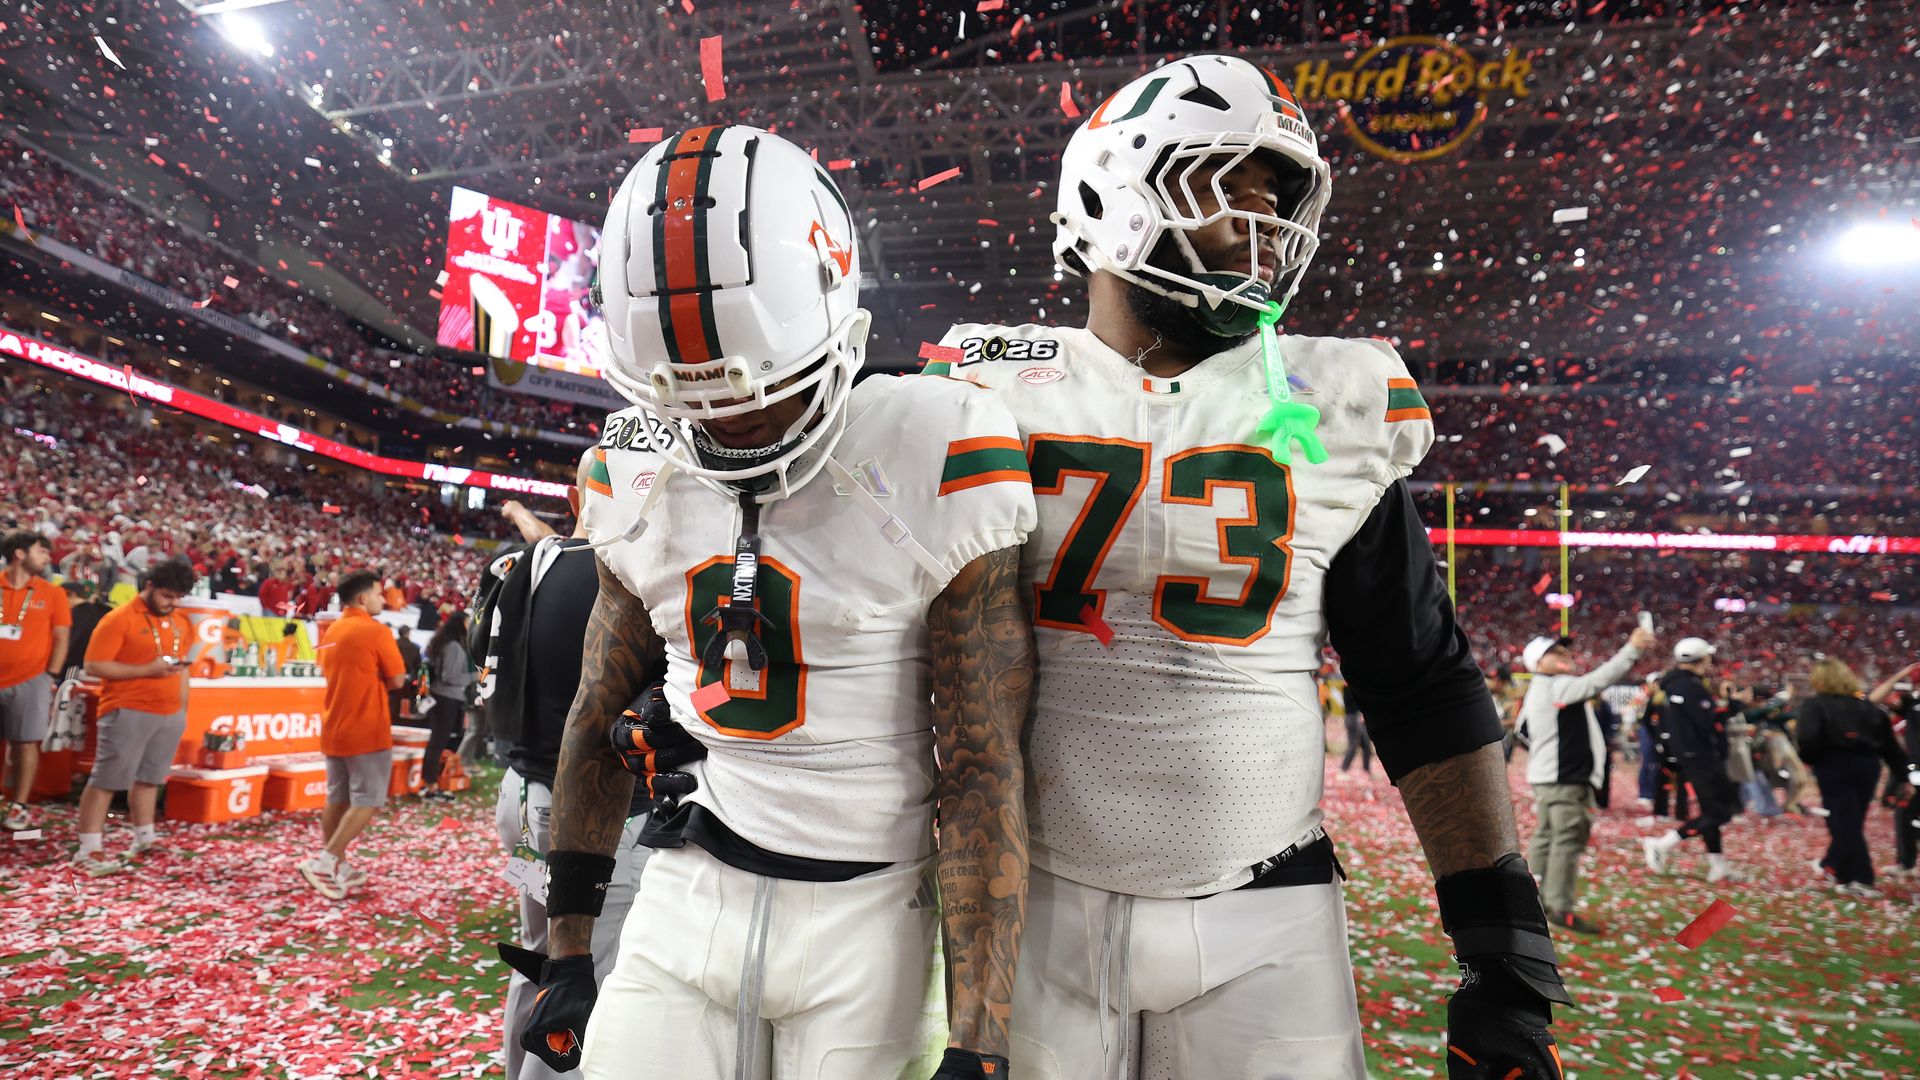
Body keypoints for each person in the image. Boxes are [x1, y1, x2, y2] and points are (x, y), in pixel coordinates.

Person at [941, 56, 1571, 1080]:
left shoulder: (1326, 404)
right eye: (1225, 185)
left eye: (1276, 198)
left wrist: (1502, 953)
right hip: (1034, 904)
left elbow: (1418, 681)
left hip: (1269, 912)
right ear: (1112, 192)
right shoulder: (980, 395)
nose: (1263, 224)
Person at [520, 126, 1037, 1080]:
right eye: (694, 401)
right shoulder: (634, 474)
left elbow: (981, 764)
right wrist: (567, 947)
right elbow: (595, 716)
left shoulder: (934, 446)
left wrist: (980, 1042)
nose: (726, 422)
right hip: (687, 891)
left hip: (871, 915)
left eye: (757, 391)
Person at [477, 478, 655, 1080]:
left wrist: (520, 514)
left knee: (541, 956)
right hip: (590, 812)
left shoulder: (533, 565)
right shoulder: (626, 576)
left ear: (577, 504)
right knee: (585, 970)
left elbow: (551, 539)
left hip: (523, 797)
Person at [1516, 628, 1653, 933]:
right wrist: (1632, 649)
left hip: (1550, 775)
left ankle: (1534, 903)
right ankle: (1559, 908)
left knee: (1547, 837)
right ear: (1538, 663)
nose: (1565, 655)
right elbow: (1599, 680)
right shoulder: (1557, 685)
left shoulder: (1540, 688)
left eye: (1564, 650)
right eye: (1555, 652)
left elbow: (1521, 731)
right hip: (1565, 777)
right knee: (1566, 840)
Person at [73, 556, 197, 875]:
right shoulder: (119, 619)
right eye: (167, 595)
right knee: (106, 781)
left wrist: (182, 709)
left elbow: (182, 669)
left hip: (168, 712)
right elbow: (94, 665)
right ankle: (88, 849)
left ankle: (144, 839)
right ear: (149, 586)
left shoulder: (182, 621)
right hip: (126, 708)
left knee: (150, 779)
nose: (172, 602)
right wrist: (146, 670)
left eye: (178, 597)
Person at [300, 571, 406, 900]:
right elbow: (398, 679)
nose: (383, 599)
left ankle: (339, 866)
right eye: (378, 593)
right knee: (368, 800)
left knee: (337, 798)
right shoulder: (375, 630)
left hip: (334, 725)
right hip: (366, 727)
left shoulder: (332, 629)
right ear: (363, 598)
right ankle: (326, 862)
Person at [1796, 657, 1911, 897]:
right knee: (1852, 820)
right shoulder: (1868, 707)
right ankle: (1840, 870)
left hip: (1834, 765)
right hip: (1868, 767)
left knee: (1844, 822)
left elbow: (1808, 739)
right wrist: (1903, 778)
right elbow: (1890, 747)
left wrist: (1812, 760)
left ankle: (1859, 877)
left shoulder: (1816, 705)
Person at [1642, 637, 1749, 882]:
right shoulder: (1690, 686)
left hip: (1688, 754)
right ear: (1703, 658)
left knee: (1710, 811)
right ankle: (1663, 844)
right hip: (1700, 755)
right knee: (1721, 811)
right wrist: (1734, 706)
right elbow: (1708, 722)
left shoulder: (1673, 684)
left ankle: (1718, 865)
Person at [2, 530, 71, 831]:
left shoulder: (52, 593)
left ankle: (19, 806)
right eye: (41, 551)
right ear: (20, 553)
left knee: (25, 742)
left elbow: (62, 637)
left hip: (31, 679)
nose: (47, 558)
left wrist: (50, 676)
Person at [1867, 665, 1919, 879]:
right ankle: (1906, 863)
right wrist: (1900, 675)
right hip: (1916, 766)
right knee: (1904, 812)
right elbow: (1874, 699)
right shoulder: (1912, 703)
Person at [419, 611, 473, 801]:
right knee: (438, 742)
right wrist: (474, 676)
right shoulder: (453, 647)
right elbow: (450, 676)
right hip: (446, 698)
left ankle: (432, 782)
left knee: (439, 742)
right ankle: (430, 785)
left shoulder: (446, 644)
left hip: (443, 697)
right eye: (467, 622)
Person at [61, 581, 111, 675]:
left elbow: (70, 645)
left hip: (74, 668)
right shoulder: (99, 611)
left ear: (72, 595)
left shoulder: (78, 614)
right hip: (96, 667)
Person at [1341, 706, 1375, 775]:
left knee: (1366, 746)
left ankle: (1366, 770)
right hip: (1353, 718)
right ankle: (1343, 770)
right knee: (1353, 746)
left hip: (1358, 718)